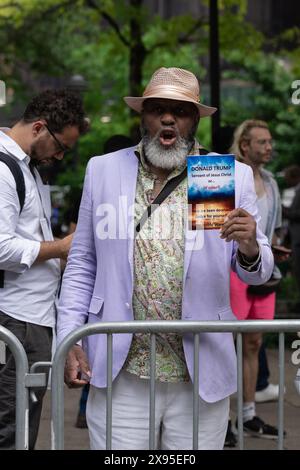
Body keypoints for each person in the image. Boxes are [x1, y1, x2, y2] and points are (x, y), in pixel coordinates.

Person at [57, 67, 274, 450]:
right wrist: (71, 337)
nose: (168, 117)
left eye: (181, 110)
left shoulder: (226, 176)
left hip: (200, 369)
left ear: (194, 120)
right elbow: (82, 263)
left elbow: (256, 275)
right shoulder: (103, 170)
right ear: (143, 116)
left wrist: (250, 247)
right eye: (158, 109)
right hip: (123, 367)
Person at [0, 88, 88, 449]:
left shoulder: (28, 169)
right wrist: (61, 247)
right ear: (39, 127)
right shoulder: (5, 170)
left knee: (22, 424)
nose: (61, 155)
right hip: (13, 317)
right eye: (60, 146)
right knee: (11, 428)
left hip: (31, 316)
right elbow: (1, 246)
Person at [229, 119, 289, 439]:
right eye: (262, 142)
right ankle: (223, 418)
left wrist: (272, 248)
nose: (269, 147)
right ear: (244, 146)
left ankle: (248, 414)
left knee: (253, 343)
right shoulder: (231, 179)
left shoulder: (271, 182)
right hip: (234, 271)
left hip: (265, 273)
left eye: (269, 142)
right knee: (226, 342)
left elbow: (270, 228)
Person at [283, 165, 300, 293]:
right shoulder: (296, 190)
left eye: (287, 178)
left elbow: (296, 214)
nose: (286, 181)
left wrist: (282, 209)